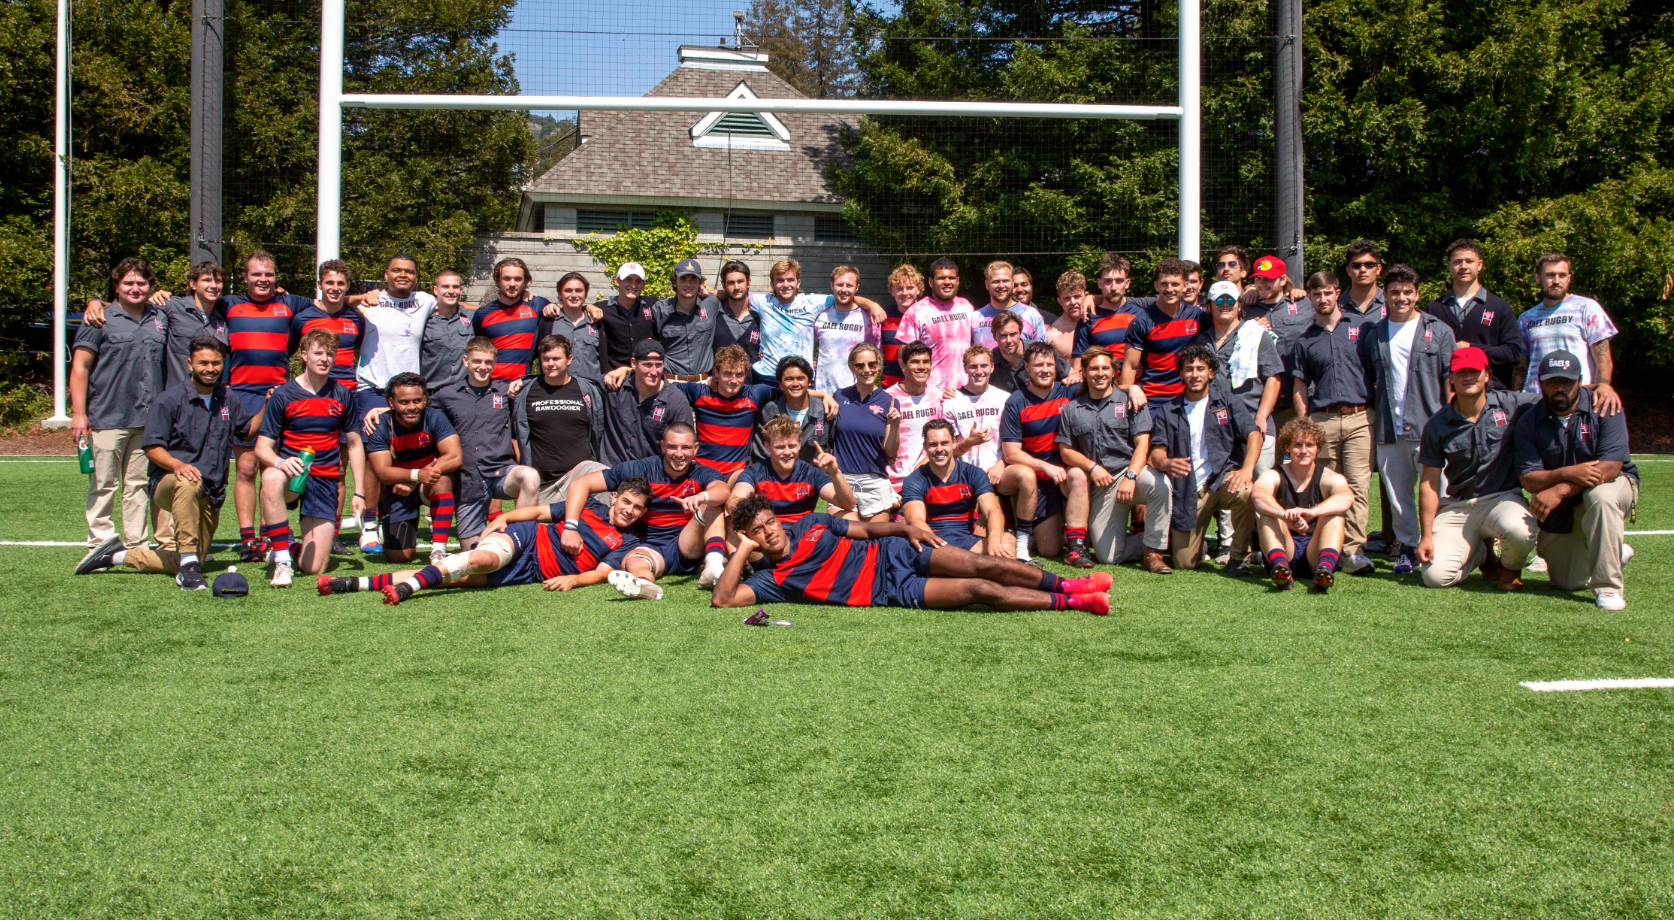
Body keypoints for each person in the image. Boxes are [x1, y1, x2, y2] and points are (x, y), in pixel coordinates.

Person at [711, 495, 1112, 614]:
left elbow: (867, 528)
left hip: (896, 552)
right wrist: (743, 551)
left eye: (770, 522)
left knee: (982, 562)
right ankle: (1073, 602)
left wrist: (906, 527)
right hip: (890, 590)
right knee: (979, 588)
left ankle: (1068, 582)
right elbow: (723, 599)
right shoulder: (770, 581)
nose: (769, 532)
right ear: (752, 540)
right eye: (757, 532)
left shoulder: (811, 524)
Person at [75, 336, 261, 589]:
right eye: (203, 362)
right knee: (189, 482)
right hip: (168, 483)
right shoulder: (169, 400)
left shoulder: (228, 399)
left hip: (211, 491)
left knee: (196, 558)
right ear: (189, 364)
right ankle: (187, 565)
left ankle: (115, 556)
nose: (210, 368)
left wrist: (268, 405)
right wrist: (177, 465)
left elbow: (246, 432)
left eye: (216, 363)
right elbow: (152, 447)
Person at [319, 478, 652, 604]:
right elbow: (537, 513)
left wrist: (573, 579)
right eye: (626, 502)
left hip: (531, 573)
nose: (630, 511)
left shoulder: (626, 540)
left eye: (637, 508)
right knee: (481, 559)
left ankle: (352, 583)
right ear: (615, 498)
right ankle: (410, 589)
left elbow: (602, 572)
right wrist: (505, 517)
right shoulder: (588, 506)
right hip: (527, 541)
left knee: (453, 579)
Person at [1515, 351, 1638, 610]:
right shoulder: (1529, 419)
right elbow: (1529, 478)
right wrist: (1566, 474)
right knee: (1567, 581)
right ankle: (1613, 554)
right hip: (1564, 504)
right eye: (1551, 382)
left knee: (1599, 497)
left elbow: (1611, 467)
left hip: (1613, 485)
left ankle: (1608, 587)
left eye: (1566, 381)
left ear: (1580, 381)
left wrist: (1560, 489)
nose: (1559, 388)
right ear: (1540, 383)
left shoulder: (1604, 404)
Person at [218, 250, 316, 561]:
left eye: (269, 275)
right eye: (257, 274)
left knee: (271, 468)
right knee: (246, 468)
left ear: (277, 278)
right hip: (241, 395)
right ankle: (248, 539)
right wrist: (98, 302)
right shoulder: (228, 305)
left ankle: (268, 535)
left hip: (278, 395)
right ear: (244, 277)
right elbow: (189, 304)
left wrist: (363, 298)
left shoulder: (289, 304)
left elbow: (331, 301)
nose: (263, 280)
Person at [1416, 346, 1539, 590]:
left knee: (1519, 531)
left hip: (1503, 498)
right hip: (1460, 504)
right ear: (1451, 378)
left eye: (1474, 371)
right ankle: (1481, 553)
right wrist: (1426, 535)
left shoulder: (1513, 404)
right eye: (1460, 372)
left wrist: (1597, 389)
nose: (1468, 377)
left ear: (1486, 375)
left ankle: (1509, 567)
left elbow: (1554, 398)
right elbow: (1429, 482)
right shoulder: (1438, 424)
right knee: (1435, 577)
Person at [1358, 264, 1455, 574]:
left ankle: (1443, 545)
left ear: (1417, 293)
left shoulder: (1438, 330)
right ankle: (1408, 548)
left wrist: (1452, 425)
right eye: (1395, 292)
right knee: (1399, 499)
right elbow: (1370, 374)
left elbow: (1451, 381)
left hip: (1431, 426)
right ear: (1385, 294)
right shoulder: (1373, 333)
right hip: (1390, 428)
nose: (1402, 298)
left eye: (1408, 292)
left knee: (1442, 492)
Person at [70, 257, 169, 553]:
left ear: (150, 285)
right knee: (104, 484)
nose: (135, 288)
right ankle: (100, 541)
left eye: (141, 282)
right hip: (107, 414)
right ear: (116, 286)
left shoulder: (159, 317)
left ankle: (136, 543)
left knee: (137, 485)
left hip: (147, 417)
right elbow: (80, 368)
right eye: (128, 282)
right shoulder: (98, 318)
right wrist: (78, 414)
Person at [564, 422, 731, 597]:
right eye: (672, 447)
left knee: (712, 502)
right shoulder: (640, 469)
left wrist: (701, 496)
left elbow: (722, 491)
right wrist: (570, 527)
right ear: (662, 446)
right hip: (649, 546)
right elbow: (581, 483)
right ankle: (644, 585)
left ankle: (713, 565)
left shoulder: (702, 473)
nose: (679, 454)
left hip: (686, 545)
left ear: (695, 448)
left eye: (686, 448)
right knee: (635, 560)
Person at [1289, 270, 1377, 574]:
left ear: (1337, 293)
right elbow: (1300, 386)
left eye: (1328, 293)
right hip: (1322, 421)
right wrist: (1303, 426)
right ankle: (1329, 549)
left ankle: (1353, 550)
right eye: (1317, 294)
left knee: (1357, 486)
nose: (1323, 299)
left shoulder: (1364, 328)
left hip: (1360, 417)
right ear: (1310, 297)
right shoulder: (1305, 340)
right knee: (1327, 486)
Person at [253, 329, 356, 587]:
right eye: (318, 352)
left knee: (314, 568)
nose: (324, 358)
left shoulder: (343, 394)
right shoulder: (283, 395)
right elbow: (262, 447)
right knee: (271, 476)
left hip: (324, 478)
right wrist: (280, 462)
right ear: (304, 356)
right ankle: (282, 562)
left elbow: (354, 443)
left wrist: (361, 492)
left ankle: (287, 546)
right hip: (292, 476)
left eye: (330, 354)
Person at [1056, 346, 1172, 571]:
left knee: (1160, 484)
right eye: (1093, 369)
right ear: (1084, 373)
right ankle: (1169, 542)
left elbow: (1143, 444)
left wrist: (1131, 475)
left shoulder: (1131, 400)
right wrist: (1092, 468)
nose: (1099, 373)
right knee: (1108, 555)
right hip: (1103, 483)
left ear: (1113, 372)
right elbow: (1065, 450)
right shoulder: (1073, 408)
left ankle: (1154, 553)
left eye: (1105, 368)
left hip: (1131, 471)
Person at [353, 254, 439, 554]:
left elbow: (458, 304)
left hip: (410, 391)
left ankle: (424, 510)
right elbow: (332, 300)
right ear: (386, 273)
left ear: (417, 277)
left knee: (419, 449)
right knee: (372, 454)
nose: (403, 275)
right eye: (397, 271)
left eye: (409, 272)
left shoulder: (425, 300)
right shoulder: (369, 301)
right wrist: (359, 296)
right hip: (373, 388)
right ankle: (368, 524)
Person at [1149, 345, 1261, 571]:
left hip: (1222, 480)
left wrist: (1247, 469)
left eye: (1201, 368)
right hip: (1189, 490)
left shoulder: (1227, 402)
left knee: (1247, 492)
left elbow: (1254, 434)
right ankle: (1198, 547)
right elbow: (1156, 452)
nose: (1194, 374)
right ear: (1181, 374)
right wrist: (1167, 463)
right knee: (1183, 563)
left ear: (1211, 372)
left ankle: (1239, 557)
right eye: (1189, 369)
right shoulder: (1169, 410)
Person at [430, 336, 541, 551]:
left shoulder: (506, 391)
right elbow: (419, 414)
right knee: (471, 550)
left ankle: (520, 538)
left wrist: (524, 379)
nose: (483, 367)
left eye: (488, 362)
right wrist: (381, 410)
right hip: (467, 478)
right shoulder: (447, 395)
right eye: (477, 361)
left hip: (501, 473)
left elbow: (541, 381)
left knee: (529, 475)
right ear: (465, 361)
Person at [663, 344, 835, 478]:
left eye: (738, 374)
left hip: (737, 474)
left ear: (746, 373)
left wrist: (822, 395)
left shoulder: (755, 394)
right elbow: (663, 386)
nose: (733, 380)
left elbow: (791, 388)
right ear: (716, 371)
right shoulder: (699, 393)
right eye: (727, 374)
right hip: (702, 470)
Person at [291, 259, 366, 553]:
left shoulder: (356, 318)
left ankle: (332, 533)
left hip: (344, 399)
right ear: (320, 285)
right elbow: (293, 353)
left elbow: (357, 352)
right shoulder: (302, 318)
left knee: (338, 469)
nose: (335, 288)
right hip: (307, 402)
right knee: (302, 465)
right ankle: (288, 531)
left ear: (347, 287)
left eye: (341, 284)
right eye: (329, 283)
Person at [364, 371, 463, 567]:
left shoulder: (435, 418)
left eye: (417, 401)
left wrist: (414, 479)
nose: (412, 407)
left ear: (425, 399)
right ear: (391, 402)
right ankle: (372, 522)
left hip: (426, 483)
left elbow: (455, 456)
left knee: (443, 479)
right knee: (400, 557)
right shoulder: (380, 425)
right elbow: (382, 472)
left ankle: (439, 549)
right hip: (397, 488)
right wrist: (417, 475)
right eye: (404, 402)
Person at [1000, 341, 1086, 565]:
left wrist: (1132, 388)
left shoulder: (1070, 391)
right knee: (1050, 550)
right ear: (1027, 368)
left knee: (1078, 474)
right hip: (1036, 478)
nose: (1045, 370)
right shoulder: (1016, 401)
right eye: (1039, 365)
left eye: (1050, 364)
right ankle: (1023, 531)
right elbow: (1011, 454)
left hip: (1064, 476)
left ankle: (1075, 544)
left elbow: (1104, 386)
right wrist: (1044, 466)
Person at [83, 260, 230, 388]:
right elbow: (132, 306)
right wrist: (97, 303)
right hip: (176, 399)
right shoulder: (172, 306)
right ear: (192, 284)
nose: (213, 286)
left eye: (218, 281)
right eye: (206, 280)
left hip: (210, 398)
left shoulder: (222, 319)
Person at [1251, 418, 1354, 591]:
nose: (1303, 451)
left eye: (1310, 445)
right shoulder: (1274, 474)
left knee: (1335, 514)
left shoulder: (1329, 477)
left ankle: (1324, 570)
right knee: (1267, 514)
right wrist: (1285, 515)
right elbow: (1258, 495)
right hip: (1284, 547)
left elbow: (1347, 497)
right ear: (1286, 448)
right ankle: (1281, 570)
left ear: (1318, 448)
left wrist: (1313, 512)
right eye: (1297, 445)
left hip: (1316, 550)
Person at [1517, 253, 1622, 414]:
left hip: (1576, 398)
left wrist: (1601, 387)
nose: (1556, 280)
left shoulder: (1587, 308)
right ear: (1538, 278)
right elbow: (1521, 365)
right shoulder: (1526, 319)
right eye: (1550, 275)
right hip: (1535, 401)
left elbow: (1603, 359)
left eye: (1562, 275)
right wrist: (1517, 398)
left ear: (1569, 278)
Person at [749, 258, 884, 384]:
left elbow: (845, 296)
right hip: (767, 377)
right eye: (780, 280)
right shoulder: (762, 302)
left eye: (790, 280)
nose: (786, 285)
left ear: (798, 282)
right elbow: (735, 295)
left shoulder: (812, 303)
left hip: (800, 378)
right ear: (772, 284)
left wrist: (872, 305)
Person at [511, 334, 609, 504]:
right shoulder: (526, 391)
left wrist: (625, 369)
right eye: (546, 359)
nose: (550, 364)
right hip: (542, 483)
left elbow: (598, 430)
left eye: (556, 358)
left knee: (605, 480)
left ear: (569, 359)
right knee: (534, 529)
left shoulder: (587, 390)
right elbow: (516, 433)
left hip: (580, 477)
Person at [1423, 239, 1524, 390]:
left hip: (1489, 395)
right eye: (1457, 262)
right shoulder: (1434, 310)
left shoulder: (1499, 307)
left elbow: (1513, 352)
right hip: (1444, 395)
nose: (1463, 266)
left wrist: (1472, 349)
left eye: (1469, 261)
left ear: (1480, 265)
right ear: (1449, 266)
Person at [902, 420, 1009, 555]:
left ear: (953, 442)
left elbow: (993, 511)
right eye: (933, 445)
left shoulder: (973, 473)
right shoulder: (915, 480)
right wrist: (943, 549)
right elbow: (915, 521)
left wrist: (994, 543)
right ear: (925, 446)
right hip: (933, 543)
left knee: (1008, 541)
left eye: (944, 443)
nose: (939, 449)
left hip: (967, 540)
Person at [732, 415, 854, 530]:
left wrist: (836, 473)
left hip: (803, 534)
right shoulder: (755, 472)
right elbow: (734, 501)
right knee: (730, 521)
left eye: (792, 446)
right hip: (768, 534)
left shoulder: (811, 473)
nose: (787, 452)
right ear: (767, 447)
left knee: (850, 517)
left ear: (799, 444)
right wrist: (756, 507)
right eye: (780, 447)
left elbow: (848, 504)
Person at [831, 343, 903, 522]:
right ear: (852, 368)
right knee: (846, 540)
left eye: (872, 364)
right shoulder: (839, 396)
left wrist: (894, 426)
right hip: (843, 480)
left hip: (874, 481)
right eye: (860, 366)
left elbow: (891, 452)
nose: (867, 370)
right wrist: (823, 395)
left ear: (879, 365)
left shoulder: (890, 401)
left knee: (876, 543)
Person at [1122, 258, 1208, 404]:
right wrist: (1129, 391)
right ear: (1156, 286)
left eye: (1175, 284)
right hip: (1152, 399)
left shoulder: (1198, 316)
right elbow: (1130, 366)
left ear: (1185, 286)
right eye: (1164, 284)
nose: (1169, 289)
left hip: (1188, 399)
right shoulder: (1142, 321)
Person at [598, 339, 695, 466]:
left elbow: (685, 446)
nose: (654, 372)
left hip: (648, 476)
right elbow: (575, 383)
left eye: (658, 365)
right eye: (647, 365)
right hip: (610, 472)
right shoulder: (614, 385)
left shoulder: (676, 402)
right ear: (633, 363)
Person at [884, 342, 962, 488]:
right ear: (903, 366)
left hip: (928, 477)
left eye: (926, 362)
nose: (921, 367)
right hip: (893, 481)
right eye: (914, 362)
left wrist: (922, 467)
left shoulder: (938, 397)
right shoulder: (887, 399)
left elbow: (950, 441)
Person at [896, 258, 979, 392]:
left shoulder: (966, 307)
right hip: (932, 393)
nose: (947, 282)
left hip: (966, 391)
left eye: (951, 278)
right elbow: (904, 355)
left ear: (957, 281)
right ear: (931, 282)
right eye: (941, 278)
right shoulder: (917, 312)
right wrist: (920, 390)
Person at [941, 345, 1010, 490]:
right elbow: (947, 451)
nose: (979, 372)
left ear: (992, 367)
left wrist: (1001, 464)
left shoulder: (1004, 399)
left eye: (984, 366)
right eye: (973, 367)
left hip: (999, 469)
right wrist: (969, 443)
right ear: (965, 368)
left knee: (1025, 476)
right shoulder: (951, 401)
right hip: (964, 472)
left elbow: (1015, 442)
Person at [471, 257, 550, 381]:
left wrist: (588, 307)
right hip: (491, 385)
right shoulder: (482, 314)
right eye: (506, 278)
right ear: (498, 281)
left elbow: (568, 309)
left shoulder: (537, 305)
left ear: (525, 281)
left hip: (522, 384)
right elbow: (479, 348)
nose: (512, 284)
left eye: (518, 279)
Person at [750, 356, 832, 463]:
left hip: (815, 477)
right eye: (789, 379)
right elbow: (761, 455)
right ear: (780, 383)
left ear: (809, 382)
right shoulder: (768, 412)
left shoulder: (825, 411)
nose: (795, 384)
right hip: (776, 477)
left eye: (800, 378)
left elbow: (835, 448)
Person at [651, 258, 722, 381]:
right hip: (671, 382)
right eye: (683, 279)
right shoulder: (660, 309)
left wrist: (710, 291)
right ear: (674, 282)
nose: (688, 284)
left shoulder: (710, 303)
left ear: (700, 283)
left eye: (693, 279)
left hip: (704, 382)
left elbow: (732, 293)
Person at [812, 264, 880, 393]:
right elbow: (808, 348)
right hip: (824, 394)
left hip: (857, 394)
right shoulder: (821, 316)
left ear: (857, 287)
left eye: (849, 285)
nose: (844, 290)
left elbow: (878, 355)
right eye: (839, 285)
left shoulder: (869, 319)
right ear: (831, 285)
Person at [1077, 255, 1153, 358]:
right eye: (1108, 281)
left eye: (1119, 281)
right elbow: (1079, 364)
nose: (1113, 287)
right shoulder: (1087, 319)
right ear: (1099, 283)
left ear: (1127, 283)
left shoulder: (1141, 316)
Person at [543, 272, 606, 382]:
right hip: (557, 390)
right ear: (559, 294)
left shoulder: (597, 321)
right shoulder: (549, 321)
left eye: (579, 290)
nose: (574, 295)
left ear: (585, 294)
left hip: (592, 388)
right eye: (568, 290)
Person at [420, 269, 475, 395]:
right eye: (445, 286)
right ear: (435, 290)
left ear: (461, 290)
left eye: (455, 287)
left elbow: (495, 309)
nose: (451, 291)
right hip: (432, 393)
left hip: (464, 393)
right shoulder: (423, 320)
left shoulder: (472, 317)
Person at [973, 260, 1049, 348]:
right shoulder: (976, 318)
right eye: (996, 281)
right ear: (987, 284)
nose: (1001, 285)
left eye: (1005, 281)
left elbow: (1042, 353)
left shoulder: (1032, 315)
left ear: (1012, 283)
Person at [598, 262, 656, 373]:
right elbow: (577, 310)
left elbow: (678, 304)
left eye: (638, 281)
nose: (633, 285)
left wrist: (699, 291)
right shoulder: (602, 309)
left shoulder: (652, 305)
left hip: (645, 375)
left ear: (643, 284)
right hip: (613, 377)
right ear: (617, 281)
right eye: (628, 279)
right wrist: (588, 307)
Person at [711, 261, 762, 378]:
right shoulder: (715, 314)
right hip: (719, 389)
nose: (736, 287)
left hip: (752, 390)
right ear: (723, 285)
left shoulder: (761, 316)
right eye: (731, 283)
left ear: (748, 283)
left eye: (740, 281)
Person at [879, 265, 921, 387]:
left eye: (910, 288)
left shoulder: (927, 315)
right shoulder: (884, 315)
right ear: (892, 291)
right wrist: (871, 304)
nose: (905, 293)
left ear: (918, 290)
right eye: (899, 288)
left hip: (920, 386)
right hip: (890, 385)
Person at [1339, 240, 1387, 326]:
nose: (1363, 270)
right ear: (1348, 270)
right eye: (1356, 266)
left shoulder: (1390, 303)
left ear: (1379, 269)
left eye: (1369, 265)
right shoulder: (1337, 306)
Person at [1046, 272, 1088, 364]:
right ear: (1059, 301)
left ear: (1086, 296)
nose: (1073, 302)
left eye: (1077, 296)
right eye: (1067, 298)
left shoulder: (1097, 324)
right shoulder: (1052, 335)